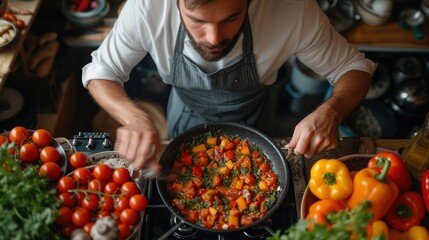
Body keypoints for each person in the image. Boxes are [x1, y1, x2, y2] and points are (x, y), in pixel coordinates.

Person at [82, 0, 376, 171]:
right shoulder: (147, 8)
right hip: (183, 115)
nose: (213, 37)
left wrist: (332, 112)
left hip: (257, 120)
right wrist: (133, 118)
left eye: (231, 18)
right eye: (197, 21)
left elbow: (354, 68)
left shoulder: (292, 9)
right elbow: (100, 72)